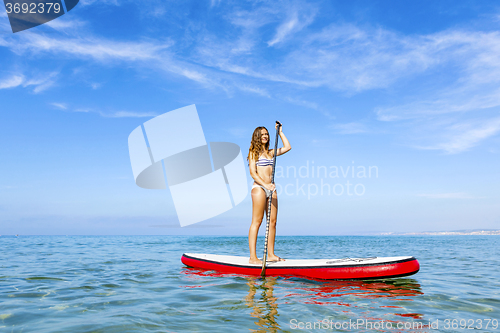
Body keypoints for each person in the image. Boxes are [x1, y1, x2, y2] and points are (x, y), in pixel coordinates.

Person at [247, 122, 291, 264]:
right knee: (257, 221)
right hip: (259, 188)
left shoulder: (271, 153)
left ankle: (270, 254)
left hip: (272, 188)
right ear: (257, 137)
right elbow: (253, 173)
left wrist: (280, 133)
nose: (265, 136)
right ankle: (253, 257)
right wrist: (265, 184)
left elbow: (287, 147)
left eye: (266, 134)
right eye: (262, 135)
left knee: (272, 222)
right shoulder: (253, 152)